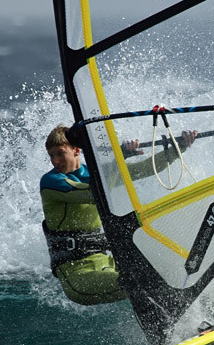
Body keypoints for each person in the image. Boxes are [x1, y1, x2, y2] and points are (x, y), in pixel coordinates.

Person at [40, 124, 197, 305]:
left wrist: (181, 146)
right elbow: (95, 195)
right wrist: (118, 158)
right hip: (77, 275)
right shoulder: (51, 182)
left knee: (173, 274)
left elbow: (146, 168)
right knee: (143, 281)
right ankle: (178, 327)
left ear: (76, 150)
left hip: (107, 262)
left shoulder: (96, 173)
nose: (55, 161)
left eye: (60, 153)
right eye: (52, 156)